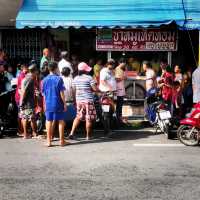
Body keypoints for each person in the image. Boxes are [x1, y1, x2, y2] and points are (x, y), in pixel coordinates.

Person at [68, 62, 98, 140]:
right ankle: (88, 136)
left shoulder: (75, 78)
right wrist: (96, 89)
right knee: (88, 118)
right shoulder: (89, 78)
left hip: (79, 100)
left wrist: (75, 100)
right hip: (88, 100)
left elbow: (74, 90)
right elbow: (95, 89)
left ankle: (71, 133)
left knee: (78, 117)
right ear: (85, 70)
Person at [42, 62, 69, 147]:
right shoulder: (59, 79)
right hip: (58, 102)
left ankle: (49, 141)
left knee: (48, 121)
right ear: (56, 68)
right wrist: (64, 103)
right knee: (61, 121)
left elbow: (43, 94)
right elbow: (62, 93)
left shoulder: (44, 80)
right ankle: (62, 141)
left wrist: (44, 104)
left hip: (48, 103)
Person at [20, 64, 38, 139]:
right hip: (28, 102)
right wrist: (22, 101)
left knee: (24, 117)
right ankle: (34, 133)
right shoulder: (30, 79)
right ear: (34, 71)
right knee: (32, 118)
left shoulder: (26, 78)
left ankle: (25, 134)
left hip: (25, 101)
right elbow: (24, 91)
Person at [115, 58, 127, 123]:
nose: (125, 64)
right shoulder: (117, 69)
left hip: (121, 90)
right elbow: (116, 79)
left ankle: (119, 119)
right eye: (124, 63)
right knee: (119, 105)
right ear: (121, 62)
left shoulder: (121, 69)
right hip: (119, 90)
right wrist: (123, 78)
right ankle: (118, 119)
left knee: (120, 105)